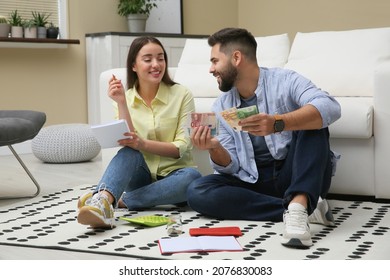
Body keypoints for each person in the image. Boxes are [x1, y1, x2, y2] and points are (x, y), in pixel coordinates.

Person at [187, 28, 341, 249]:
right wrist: (214, 148)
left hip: (296, 173)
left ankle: (299, 204)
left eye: (214, 61)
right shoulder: (221, 105)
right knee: (197, 191)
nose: (211, 69)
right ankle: (303, 208)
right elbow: (230, 169)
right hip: (253, 181)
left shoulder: (285, 81)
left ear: (236, 57)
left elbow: (330, 107)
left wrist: (279, 122)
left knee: (313, 119)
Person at [77, 36, 201, 229]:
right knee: (129, 152)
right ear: (134, 65)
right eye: (148, 59)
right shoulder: (125, 98)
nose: (156, 64)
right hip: (140, 177)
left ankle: (110, 200)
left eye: (160, 58)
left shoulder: (182, 94)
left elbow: (182, 148)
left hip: (174, 177)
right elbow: (128, 139)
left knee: (192, 179)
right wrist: (120, 102)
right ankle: (103, 201)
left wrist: (142, 144)